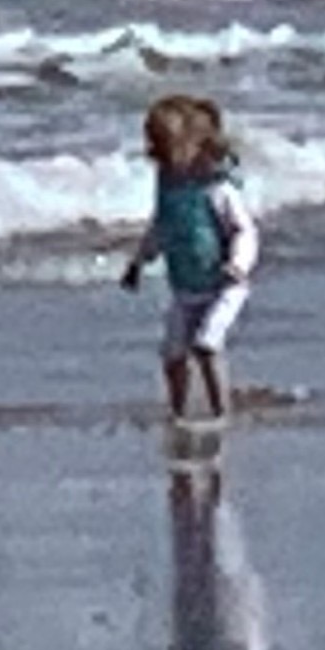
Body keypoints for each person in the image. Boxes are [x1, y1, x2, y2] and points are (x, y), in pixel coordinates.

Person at [120, 94, 258, 421]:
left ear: (194, 144)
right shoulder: (168, 186)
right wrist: (139, 261)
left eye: (165, 147)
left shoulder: (217, 188)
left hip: (224, 285)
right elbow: (161, 226)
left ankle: (221, 413)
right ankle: (178, 412)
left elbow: (245, 231)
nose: (157, 156)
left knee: (207, 345)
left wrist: (238, 265)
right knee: (172, 354)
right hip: (184, 287)